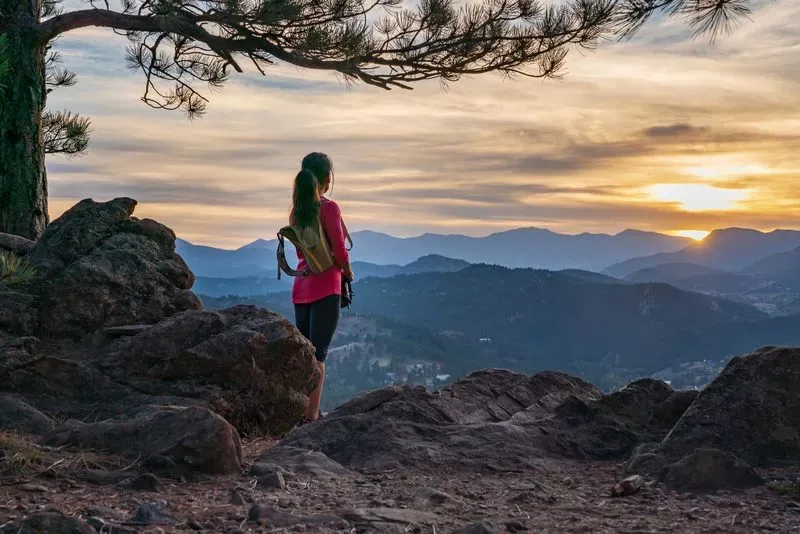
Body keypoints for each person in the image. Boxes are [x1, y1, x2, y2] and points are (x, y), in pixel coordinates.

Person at [290, 152, 354, 425]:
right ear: (327, 180)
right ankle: (311, 417)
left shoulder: (296, 211)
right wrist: (348, 274)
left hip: (301, 289)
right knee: (319, 354)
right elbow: (339, 251)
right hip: (327, 288)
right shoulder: (329, 208)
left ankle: (300, 412)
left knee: (306, 354)